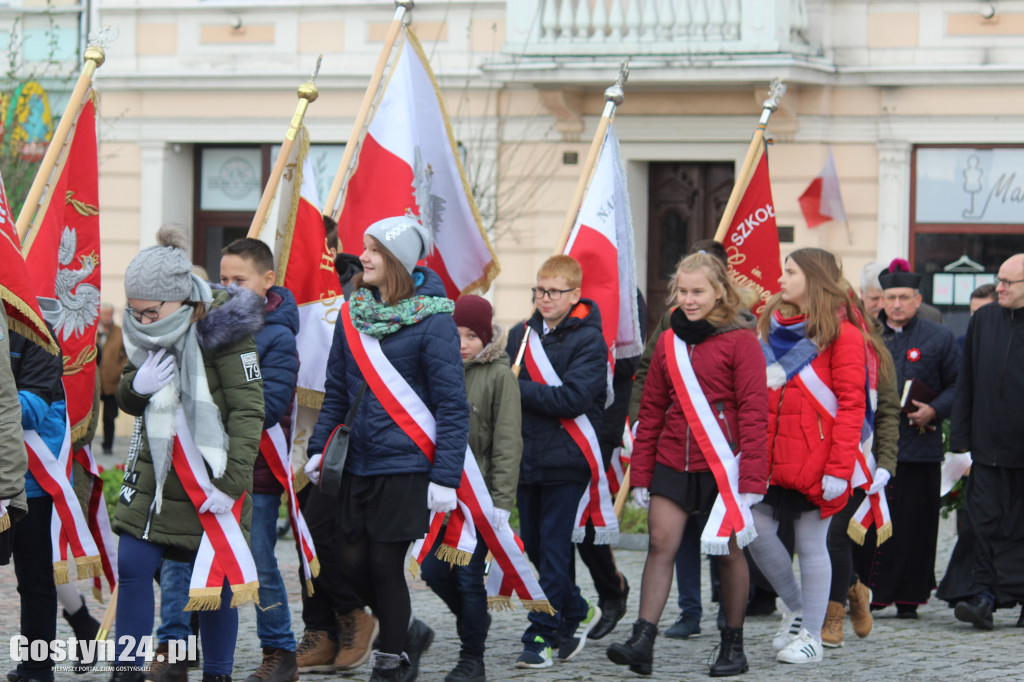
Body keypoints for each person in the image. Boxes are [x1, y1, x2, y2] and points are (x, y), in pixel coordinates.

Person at [304, 215, 468, 681]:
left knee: (383, 563)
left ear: (397, 259)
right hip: (355, 461)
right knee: (348, 560)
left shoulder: (434, 322)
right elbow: (336, 390)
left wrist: (444, 477)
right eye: (366, 246)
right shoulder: (353, 314)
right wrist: (319, 449)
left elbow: (452, 407)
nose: (364, 257)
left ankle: (391, 661)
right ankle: (407, 632)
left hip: (405, 464)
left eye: (374, 249)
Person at [112, 226, 265, 682]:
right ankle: (127, 670)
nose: (141, 320)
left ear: (179, 299)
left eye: (150, 311)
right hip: (155, 477)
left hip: (210, 480)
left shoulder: (228, 333)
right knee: (133, 566)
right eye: (134, 311)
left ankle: (217, 674)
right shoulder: (148, 328)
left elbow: (248, 410)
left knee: (213, 588)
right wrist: (135, 388)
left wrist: (229, 484)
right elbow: (126, 394)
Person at [607, 252, 769, 677]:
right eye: (683, 291)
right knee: (661, 544)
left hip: (724, 464)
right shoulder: (667, 340)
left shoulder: (742, 340)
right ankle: (643, 639)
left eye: (698, 291)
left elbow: (754, 410)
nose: (689, 299)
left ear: (720, 292)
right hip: (672, 457)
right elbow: (653, 408)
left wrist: (752, 477)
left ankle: (732, 645)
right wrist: (641, 473)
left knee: (729, 553)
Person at [747, 247, 868, 665]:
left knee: (812, 543)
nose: (780, 279)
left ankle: (812, 637)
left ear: (813, 278)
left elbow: (852, 405)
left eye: (790, 271)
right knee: (755, 528)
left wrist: (839, 468)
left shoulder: (844, 335)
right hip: (772, 454)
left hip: (819, 459)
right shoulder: (771, 325)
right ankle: (798, 608)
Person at [505, 255, 606, 668]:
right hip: (527, 457)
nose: (543, 299)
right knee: (533, 544)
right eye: (539, 291)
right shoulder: (520, 335)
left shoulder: (589, 340)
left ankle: (541, 635)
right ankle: (577, 607)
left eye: (553, 292)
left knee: (553, 549)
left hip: (567, 458)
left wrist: (518, 389)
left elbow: (573, 399)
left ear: (575, 295)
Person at [421, 294, 522, 682]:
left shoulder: (499, 376)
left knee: (466, 576)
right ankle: (472, 620)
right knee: (432, 570)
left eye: (470, 336)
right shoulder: (437, 369)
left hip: (477, 501)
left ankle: (472, 658)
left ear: (485, 337)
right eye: (454, 334)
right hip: (440, 496)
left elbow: (507, 443)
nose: (462, 343)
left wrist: (500, 502)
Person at [851, 259, 959, 620]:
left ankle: (909, 598)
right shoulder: (865, 334)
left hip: (919, 447)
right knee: (867, 529)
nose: (895, 304)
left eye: (903, 297)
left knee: (914, 527)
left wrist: (935, 410)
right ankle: (867, 593)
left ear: (917, 299)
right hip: (873, 449)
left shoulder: (939, 337)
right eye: (889, 297)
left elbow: (958, 385)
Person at [294, 216, 377, 676]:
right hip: (294, 439)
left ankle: (355, 615)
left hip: (346, 439)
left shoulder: (355, 294)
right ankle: (321, 630)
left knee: (332, 537)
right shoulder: (287, 293)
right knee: (308, 539)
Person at [218, 237, 302, 681]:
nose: (228, 288)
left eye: (240, 280)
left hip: (257, 469)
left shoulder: (278, 335)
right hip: (213, 464)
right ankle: (195, 642)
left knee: (259, 561)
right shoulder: (212, 323)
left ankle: (280, 649)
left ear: (267, 281)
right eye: (223, 278)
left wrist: (213, 405)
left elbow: (268, 406)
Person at [945, 253, 1024, 630]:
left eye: (1008, 282)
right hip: (987, 449)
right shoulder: (984, 320)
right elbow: (967, 383)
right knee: (981, 524)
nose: (1000, 288)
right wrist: (959, 439)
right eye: (999, 280)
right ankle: (983, 597)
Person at [821, 295, 899, 647]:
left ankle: (834, 616)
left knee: (836, 536)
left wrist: (886, 462)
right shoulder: (813, 346)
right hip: (817, 457)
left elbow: (886, 414)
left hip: (857, 461)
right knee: (816, 540)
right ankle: (854, 589)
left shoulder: (875, 353)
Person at [5, 309, 65, 682]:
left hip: (29, 477)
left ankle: (37, 667)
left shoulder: (36, 328)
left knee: (34, 578)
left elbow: (34, 406)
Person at [858, 261, 943, 324]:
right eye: (875, 298)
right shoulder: (851, 319)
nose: (881, 305)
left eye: (889, 297)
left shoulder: (931, 316)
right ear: (862, 293)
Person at [97, 302, 126, 454]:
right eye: (105, 314)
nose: (108, 318)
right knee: (91, 416)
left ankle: (108, 446)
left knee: (109, 417)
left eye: (110, 314)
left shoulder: (119, 332)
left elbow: (127, 355)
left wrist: (119, 369)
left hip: (112, 382)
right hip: (95, 383)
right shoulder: (93, 332)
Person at [957, 283, 997, 350]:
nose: (977, 317)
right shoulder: (960, 344)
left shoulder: (1009, 344)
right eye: (974, 312)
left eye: (983, 312)